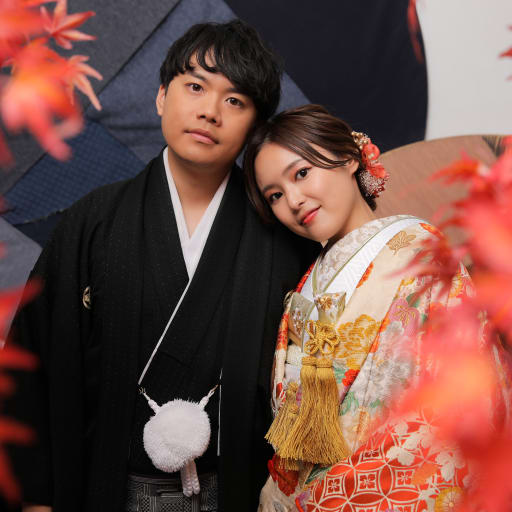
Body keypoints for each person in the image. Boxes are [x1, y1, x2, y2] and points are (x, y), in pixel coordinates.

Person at [6, 21, 318, 512]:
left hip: (236, 494)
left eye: (234, 100)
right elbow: (33, 358)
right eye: (195, 87)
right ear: (160, 97)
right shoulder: (94, 221)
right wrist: (35, 497)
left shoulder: (280, 237)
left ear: (255, 127)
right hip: (106, 490)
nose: (210, 111)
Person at [243, 104, 510, 511]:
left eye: (302, 173)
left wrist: (331, 494)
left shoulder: (419, 252)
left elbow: (458, 400)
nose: (293, 200)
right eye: (275, 195)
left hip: (381, 491)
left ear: (348, 158)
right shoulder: (307, 283)